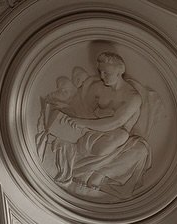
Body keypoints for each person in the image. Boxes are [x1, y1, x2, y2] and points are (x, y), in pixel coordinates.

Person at [37, 50, 154, 199]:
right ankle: (90, 169)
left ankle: (99, 174)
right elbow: (83, 108)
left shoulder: (132, 97)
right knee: (96, 141)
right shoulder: (98, 87)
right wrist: (69, 115)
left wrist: (82, 122)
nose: (102, 76)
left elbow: (116, 121)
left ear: (120, 71)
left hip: (115, 135)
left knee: (136, 147)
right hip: (92, 131)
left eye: (107, 73)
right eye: (100, 72)